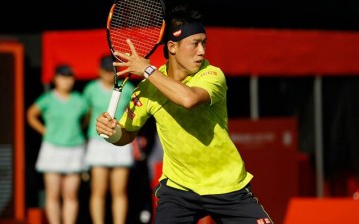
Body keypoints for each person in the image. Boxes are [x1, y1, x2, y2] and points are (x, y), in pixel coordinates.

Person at [95, 3, 274, 224]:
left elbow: (188, 99)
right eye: (195, 44)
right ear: (172, 47)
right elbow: (127, 133)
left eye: (204, 43)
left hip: (227, 186)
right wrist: (112, 133)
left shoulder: (212, 75)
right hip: (179, 190)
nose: (202, 51)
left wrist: (148, 70)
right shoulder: (147, 89)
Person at [27, 64, 88, 224]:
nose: (66, 81)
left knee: (70, 194)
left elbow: (87, 116)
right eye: (63, 77)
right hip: (52, 148)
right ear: (55, 79)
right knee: (53, 194)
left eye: (69, 77)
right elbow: (31, 114)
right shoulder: (47, 99)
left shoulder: (80, 100)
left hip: (75, 148)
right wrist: (45, 131)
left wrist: (79, 129)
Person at [83, 55, 135, 224]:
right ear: (99, 71)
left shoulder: (129, 89)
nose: (108, 74)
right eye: (105, 70)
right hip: (98, 142)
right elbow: (87, 114)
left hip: (120, 141)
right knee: (98, 191)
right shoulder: (90, 89)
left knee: (119, 191)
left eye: (111, 70)